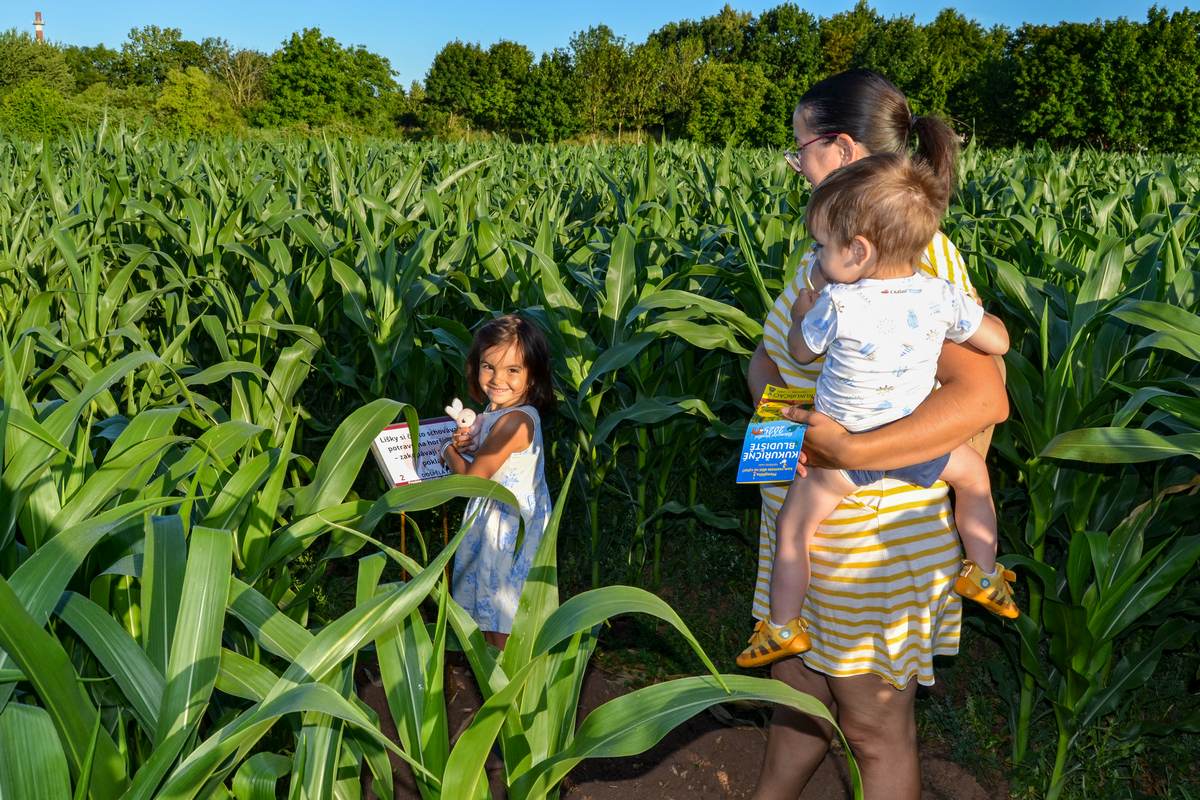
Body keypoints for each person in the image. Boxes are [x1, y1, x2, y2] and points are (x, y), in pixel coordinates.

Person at [747, 69, 1009, 800]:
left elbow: (984, 396)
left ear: (837, 146)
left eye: (798, 147)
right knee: (797, 693)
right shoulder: (834, 241)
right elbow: (777, 362)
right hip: (805, 511)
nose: (794, 163)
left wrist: (849, 450)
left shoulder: (912, 255)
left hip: (871, 533)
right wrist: (773, 404)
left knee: (872, 727)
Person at [737, 153, 1017, 669]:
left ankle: (780, 626)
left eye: (823, 246)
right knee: (975, 479)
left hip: (841, 456)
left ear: (859, 250)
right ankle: (983, 570)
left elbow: (799, 351)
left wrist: (804, 312)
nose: (817, 256)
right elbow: (996, 341)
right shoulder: (941, 294)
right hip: (917, 449)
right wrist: (973, 316)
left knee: (795, 533)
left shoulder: (840, 304)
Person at [441, 314, 555, 650]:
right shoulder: (499, 412)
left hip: (508, 534)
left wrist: (447, 451)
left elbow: (473, 480)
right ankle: (499, 692)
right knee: (487, 615)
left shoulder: (516, 422)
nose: (497, 378)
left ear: (533, 375)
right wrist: (471, 445)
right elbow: (491, 454)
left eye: (512, 370)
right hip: (494, 525)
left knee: (504, 622)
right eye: (488, 366)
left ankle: (514, 696)